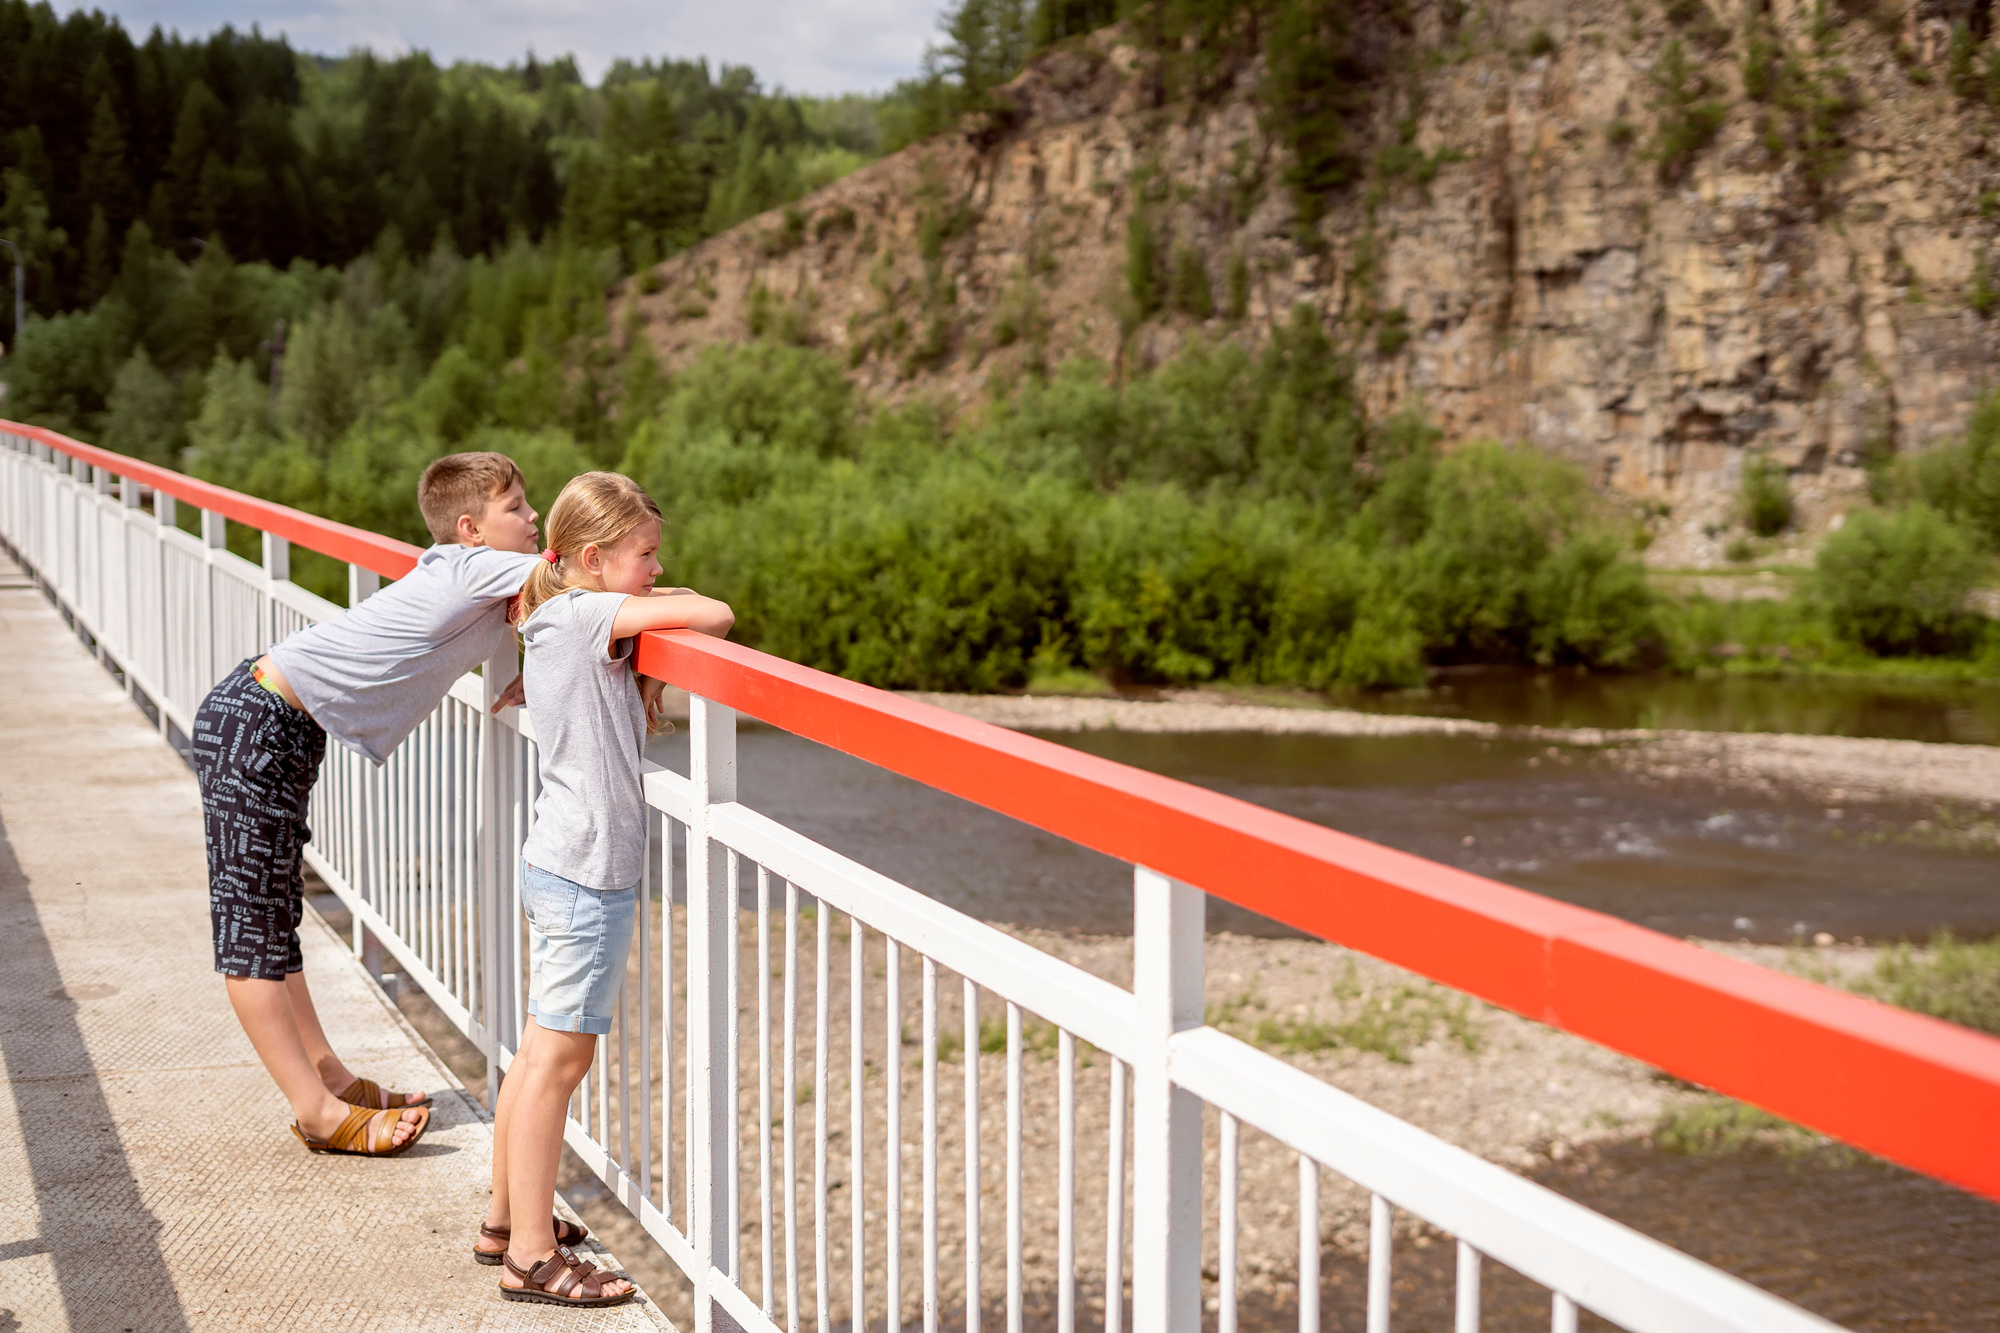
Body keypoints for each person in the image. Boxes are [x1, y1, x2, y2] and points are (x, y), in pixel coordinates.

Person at [192, 451, 541, 1157]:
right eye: (519, 508)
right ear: (470, 528)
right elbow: (583, 579)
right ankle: (315, 1110)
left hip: (269, 722)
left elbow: (552, 598)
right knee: (251, 931)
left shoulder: (461, 566)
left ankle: (327, 1075)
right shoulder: (476, 566)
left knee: (276, 913)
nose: (535, 518)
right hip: (259, 724)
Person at [485, 471, 732, 1307]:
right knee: (559, 1060)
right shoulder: (589, 616)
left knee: (535, 1052)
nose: (658, 569)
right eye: (646, 555)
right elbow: (715, 613)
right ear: (592, 558)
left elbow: (666, 603)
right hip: (589, 874)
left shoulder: (556, 612)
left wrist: (639, 656)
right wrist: (655, 627)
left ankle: (502, 1218)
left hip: (559, 858)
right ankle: (530, 1255)